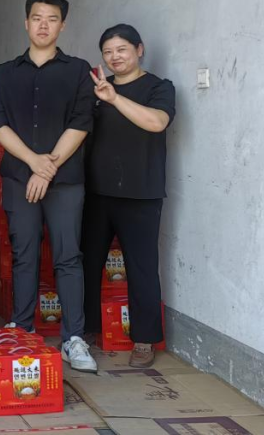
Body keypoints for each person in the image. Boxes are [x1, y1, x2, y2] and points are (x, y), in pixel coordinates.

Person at [0, 0, 98, 373]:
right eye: (37, 18)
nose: (44, 25)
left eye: (52, 19)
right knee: (24, 254)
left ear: (62, 25)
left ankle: (73, 339)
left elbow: (81, 122)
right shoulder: (5, 73)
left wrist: (47, 168)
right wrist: (34, 162)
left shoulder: (78, 70)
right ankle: (23, 329)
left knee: (68, 256)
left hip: (65, 182)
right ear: (26, 23)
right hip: (21, 178)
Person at [82, 24, 175, 368]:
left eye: (121, 49)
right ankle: (84, 331)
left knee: (142, 268)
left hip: (141, 193)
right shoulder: (96, 89)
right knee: (87, 263)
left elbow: (156, 122)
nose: (114, 57)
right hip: (96, 191)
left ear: (139, 49)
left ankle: (144, 340)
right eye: (107, 52)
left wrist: (114, 98)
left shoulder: (159, 88)